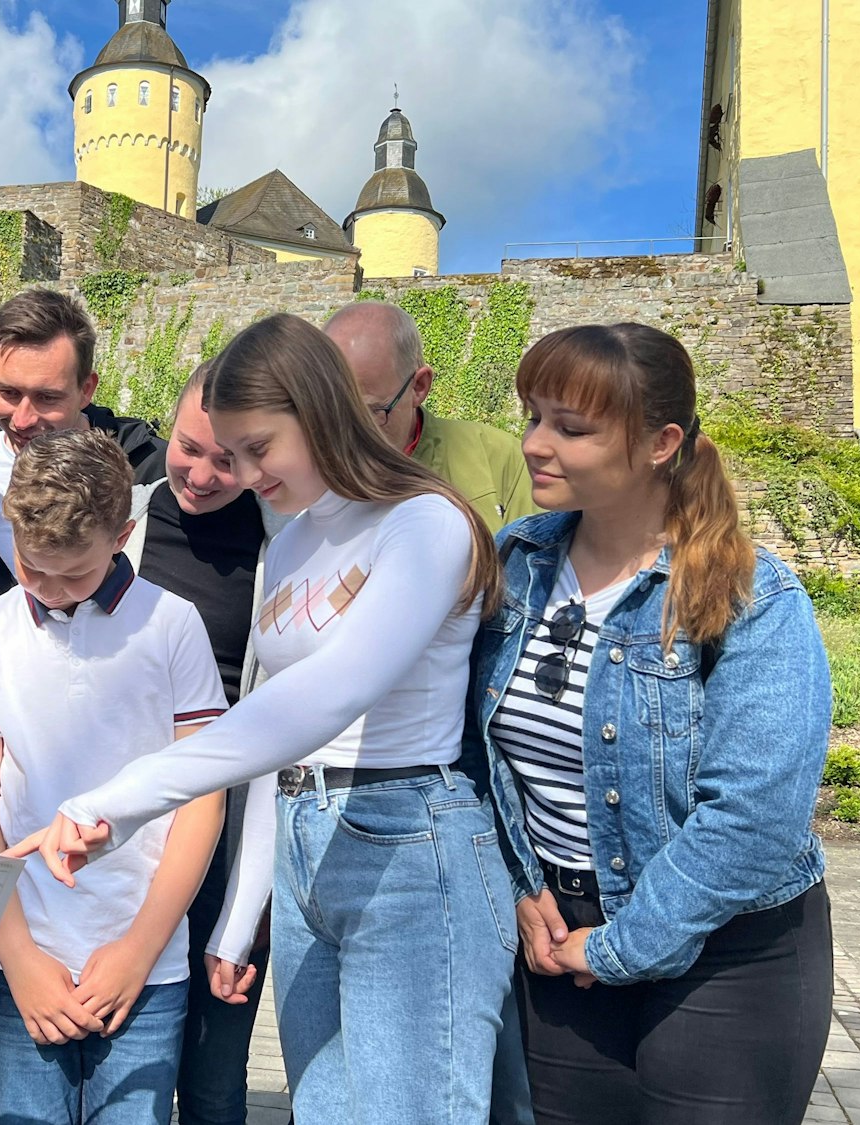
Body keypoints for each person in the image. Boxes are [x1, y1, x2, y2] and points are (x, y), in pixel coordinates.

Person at [14, 313, 513, 1124]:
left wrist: (125, 795)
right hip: (305, 840)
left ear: (321, 412)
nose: (241, 474)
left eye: (257, 448)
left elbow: (328, 694)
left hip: (411, 843)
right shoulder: (288, 547)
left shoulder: (426, 521)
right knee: (323, 1109)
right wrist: (242, 914)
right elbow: (275, 746)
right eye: (228, 450)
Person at [468, 323, 832, 1125]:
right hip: (562, 944)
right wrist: (524, 887)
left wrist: (627, 944)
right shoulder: (514, 562)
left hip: (730, 952)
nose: (534, 444)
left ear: (662, 441)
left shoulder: (751, 596)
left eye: (570, 427)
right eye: (532, 416)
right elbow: (471, 750)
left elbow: (755, 817)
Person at [0, 428, 230, 1125]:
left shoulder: (173, 626)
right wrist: (17, 957)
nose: (45, 589)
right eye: (29, 565)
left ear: (123, 534)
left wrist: (139, 950)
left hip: (142, 960)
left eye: (71, 574)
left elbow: (204, 798)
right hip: (16, 957)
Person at [323, 303, 538, 1123]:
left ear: (421, 385)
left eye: (367, 409)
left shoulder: (490, 458)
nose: (346, 429)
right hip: (352, 791)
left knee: (494, 1061)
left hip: (471, 770)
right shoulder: (315, 474)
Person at [124, 365, 276, 1125]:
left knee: (216, 1064)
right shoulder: (118, 520)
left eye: (231, 460)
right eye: (190, 448)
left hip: (233, 821)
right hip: (127, 822)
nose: (204, 475)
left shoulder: (283, 543)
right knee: (124, 1049)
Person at [0, 286, 167, 724]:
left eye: (47, 398)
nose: (22, 419)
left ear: (87, 388)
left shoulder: (148, 470)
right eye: (8, 393)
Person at [325, 300, 538, 530]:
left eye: (370, 413)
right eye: (329, 411)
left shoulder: (501, 459)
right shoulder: (300, 472)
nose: (344, 432)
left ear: (419, 387)